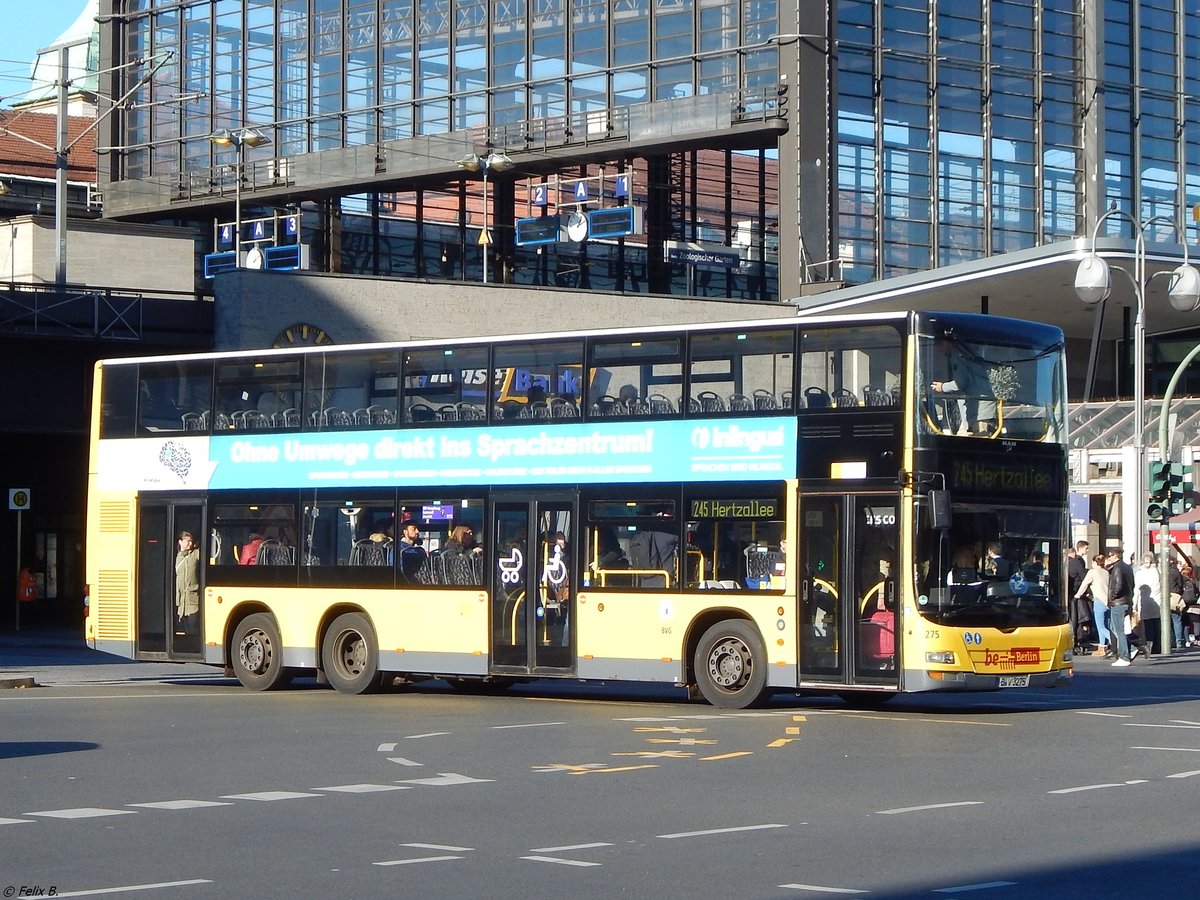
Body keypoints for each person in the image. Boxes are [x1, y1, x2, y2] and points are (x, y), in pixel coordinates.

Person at [1106, 547, 1136, 666]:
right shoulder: (1127, 567)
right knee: (1116, 628)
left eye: (1110, 556)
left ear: (1115, 556)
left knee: (1118, 629)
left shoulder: (1117, 568)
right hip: (1126, 601)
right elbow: (1131, 584)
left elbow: (1118, 585)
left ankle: (1124, 656)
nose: (1108, 558)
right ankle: (1131, 649)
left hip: (1118, 602)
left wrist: (1112, 597)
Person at [1076, 553, 1111, 657]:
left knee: (1100, 626)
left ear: (1095, 562)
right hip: (1107, 601)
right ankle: (1102, 647)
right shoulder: (1106, 572)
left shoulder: (1092, 572)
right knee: (1105, 624)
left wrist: (1078, 595)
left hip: (1099, 600)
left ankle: (1115, 640)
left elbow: (1084, 584)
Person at [1133, 552, 1161, 656]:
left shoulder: (1140, 573)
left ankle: (1149, 645)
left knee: (1147, 625)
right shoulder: (1157, 571)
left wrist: (1134, 603)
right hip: (1157, 601)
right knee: (1156, 624)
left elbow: (1136, 589)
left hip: (1145, 601)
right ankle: (1157, 646)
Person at [1067, 542, 1092, 653]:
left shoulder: (1069, 562)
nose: (1087, 551)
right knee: (1078, 617)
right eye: (1086, 548)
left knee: (1074, 617)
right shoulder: (1077, 561)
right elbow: (1084, 577)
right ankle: (1078, 639)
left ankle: (1076, 640)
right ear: (1080, 548)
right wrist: (1088, 592)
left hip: (1071, 593)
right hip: (1077, 594)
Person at [175, 531, 200, 636]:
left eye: (191, 541)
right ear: (180, 542)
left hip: (193, 600)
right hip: (181, 602)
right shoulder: (176, 558)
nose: (190, 543)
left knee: (192, 628)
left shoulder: (195, 555)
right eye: (187, 541)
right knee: (185, 628)